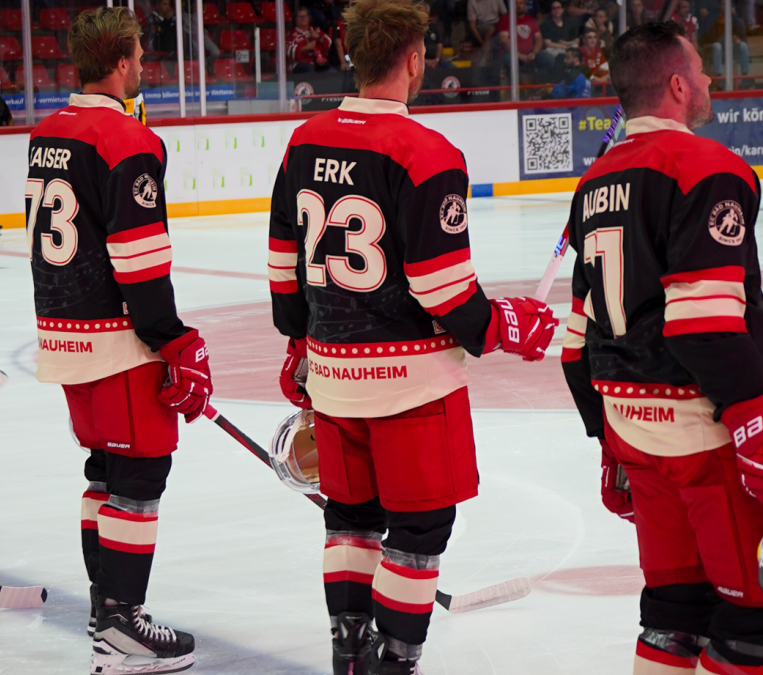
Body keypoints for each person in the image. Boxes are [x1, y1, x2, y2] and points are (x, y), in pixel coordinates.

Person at [268, 0, 557, 672]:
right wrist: (506, 325)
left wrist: (297, 341)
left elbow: (284, 260)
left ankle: (349, 653)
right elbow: (442, 289)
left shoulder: (305, 139)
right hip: (412, 383)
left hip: (334, 373)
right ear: (414, 58)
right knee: (420, 526)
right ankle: (395, 661)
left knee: (349, 519)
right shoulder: (427, 152)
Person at [561, 21, 763, 675]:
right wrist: (759, 425)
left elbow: (578, 342)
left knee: (671, 613)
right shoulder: (708, 168)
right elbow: (705, 327)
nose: (713, 80)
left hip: (636, 435)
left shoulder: (593, 182)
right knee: (755, 620)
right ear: (679, 85)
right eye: (703, 70)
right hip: (705, 436)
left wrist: (607, 441)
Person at [27, 7, 214, 673]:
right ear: (122, 60)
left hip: (63, 332)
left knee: (104, 470)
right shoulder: (128, 139)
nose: (144, 65)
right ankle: (123, 626)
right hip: (116, 337)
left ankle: (106, 609)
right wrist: (176, 341)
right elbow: (138, 262)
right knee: (139, 472)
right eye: (138, 54)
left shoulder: (47, 131)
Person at [499, 0, 546, 81]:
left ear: (524, 5)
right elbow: (504, 40)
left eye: (521, 3)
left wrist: (534, 53)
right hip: (513, 55)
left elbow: (539, 38)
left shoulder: (530, 20)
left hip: (530, 54)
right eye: (516, 3)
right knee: (508, 59)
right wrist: (519, 55)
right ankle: (521, 87)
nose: (519, 6)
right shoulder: (505, 19)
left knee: (548, 59)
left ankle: (534, 82)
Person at [707, 0, 751, 80]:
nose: (726, 7)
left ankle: (745, 76)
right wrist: (725, 39)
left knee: (743, 46)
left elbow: (741, 36)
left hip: (730, 46)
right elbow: (709, 38)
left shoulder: (734, 18)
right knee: (717, 46)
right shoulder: (713, 17)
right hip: (715, 45)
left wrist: (737, 39)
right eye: (723, 5)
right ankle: (719, 76)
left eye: (728, 5)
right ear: (720, 6)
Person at [540, 0, 581, 78]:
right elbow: (548, 43)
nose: (556, 10)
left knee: (576, 53)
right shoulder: (546, 24)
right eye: (554, 8)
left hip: (567, 48)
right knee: (562, 56)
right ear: (551, 11)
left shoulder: (569, 22)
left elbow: (577, 40)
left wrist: (566, 44)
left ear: (562, 9)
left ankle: (576, 77)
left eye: (558, 8)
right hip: (552, 50)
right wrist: (562, 46)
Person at [288, 8, 333, 72]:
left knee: (332, 72)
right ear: (296, 19)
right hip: (301, 64)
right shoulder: (291, 34)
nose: (302, 18)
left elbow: (329, 43)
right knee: (310, 70)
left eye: (304, 16)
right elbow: (289, 52)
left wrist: (318, 37)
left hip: (319, 63)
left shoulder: (316, 30)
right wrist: (306, 48)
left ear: (309, 18)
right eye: (300, 17)